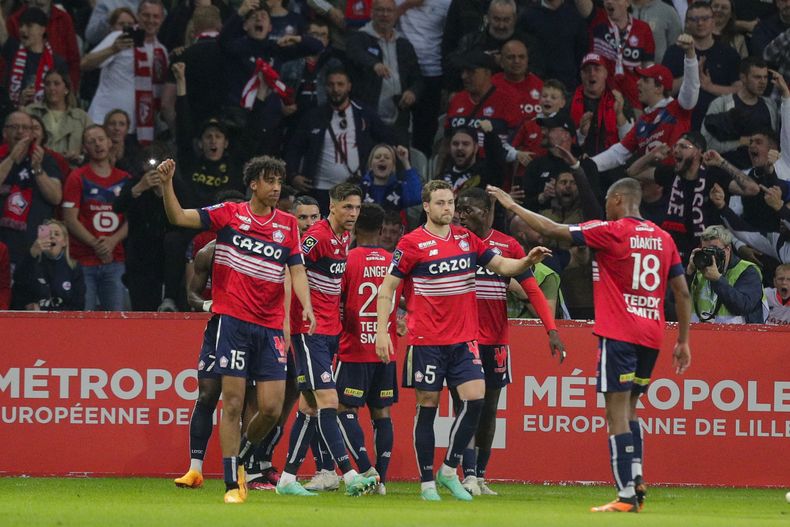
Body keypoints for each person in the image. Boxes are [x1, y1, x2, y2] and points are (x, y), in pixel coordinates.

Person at [487, 178, 691, 512]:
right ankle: (636, 480)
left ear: (619, 199)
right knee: (631, 409)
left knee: (615, 415)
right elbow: (682, 292)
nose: (607, 207)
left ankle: (625, 495)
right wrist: (683, 340)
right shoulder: (663, 238)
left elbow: (552, 229)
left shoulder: (610, 230)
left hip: (620, 334)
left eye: (609, 201)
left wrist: (511, 206)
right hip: (652, 336)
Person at [374, 179, 552, 501]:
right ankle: (427, 483)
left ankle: (448, 469)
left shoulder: (467, 239)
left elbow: (502, 265)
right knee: (427, 407)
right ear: (426, 206)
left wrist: (528, 261)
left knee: (476, 400)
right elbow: (387, 289)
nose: (448, 209)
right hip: (427, 340)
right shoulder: (412, 243)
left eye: (450, 203)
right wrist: (382, 331)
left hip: (463, 340)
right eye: (440, 203)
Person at [157, 155, 316, 503]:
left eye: (279, 181)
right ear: (254, 184)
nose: (276, 188)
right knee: (231, 403)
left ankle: (242, 456)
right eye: (269, 181)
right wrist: (167, 184)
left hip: (271, 327)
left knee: (272, 410)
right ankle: (232, 484)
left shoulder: (288, 225)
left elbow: (297, 270)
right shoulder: (230, 213)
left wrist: (304, 304)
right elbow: (178, 217)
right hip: (233, 323)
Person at [455, 187, 565, 496]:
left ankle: (480, 476)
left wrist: (551, 329)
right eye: (459, 209)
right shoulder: (452, 242)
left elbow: (532, 289)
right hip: (462, 340)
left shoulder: (507, 244)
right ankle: (467, 474)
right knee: (465, 407)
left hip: (496, 340)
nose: (462, 215)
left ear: (487, 212)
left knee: (489, 410)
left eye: (469, 209)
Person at [276, 182, 380, 497]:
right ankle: (349, 476)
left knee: (309, 408)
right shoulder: (316, 237)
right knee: (328, 402)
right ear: (332, 206)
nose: (353, 213)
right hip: (309, 331)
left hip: (330, 331)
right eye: (347, 207)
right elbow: (288, 271)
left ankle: (287, 479)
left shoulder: (343, 238)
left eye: (357, 208)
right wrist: (285, 321)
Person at [335, 202, 401, 495]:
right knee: (381, 413)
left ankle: (365, 469)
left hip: (355, 347)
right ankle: (382, 480)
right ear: (380, 228)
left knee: (342, 408)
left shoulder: (347, 260)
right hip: (385, 349)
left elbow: (337, 305)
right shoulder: (395, 261)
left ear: (356, 225)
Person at [285, 67, 396, 213]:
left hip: (355, 189)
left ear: (349, 86)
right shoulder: (313, 117)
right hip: (319, 190)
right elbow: (294, 148)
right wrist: (293, 175)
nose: (335, 89)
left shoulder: (364, 113)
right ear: (325, 87)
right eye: (331, 85)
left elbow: (387, 138)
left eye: (340, 84)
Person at [591, 34, 700, 173]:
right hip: (648, 188)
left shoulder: (678, 109)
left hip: (674, 186)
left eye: (645, 80)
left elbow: (691, 87)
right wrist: (589, 164)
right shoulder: (642, 121)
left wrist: (690, 55)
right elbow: (618, 153)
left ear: (659, 88)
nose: (638, 83)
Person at [62, 125, 130, 311]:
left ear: (109, 142)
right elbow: (70, 219)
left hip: (115, 261)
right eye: (91, 141)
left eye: (101, 139)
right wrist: (97, 244)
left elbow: (133, 219)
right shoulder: (76, 177)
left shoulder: (125, 179)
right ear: (84, 147)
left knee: (117, 321)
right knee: (83, 321)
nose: (97, 144)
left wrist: (112, 242)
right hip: (83, 260)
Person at [83, 0, 168, 143]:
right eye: (146, 15)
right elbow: (84, 64)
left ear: (162, 19)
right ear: (138, 16)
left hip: (137, 128)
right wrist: (112, 50)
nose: (151, 20)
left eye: (155, 16)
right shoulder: (120, 38)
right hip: (104, 121)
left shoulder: (161, 52)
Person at [345, 0, 422, 142]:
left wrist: (413, 92)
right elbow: (355, 53)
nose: (384, 14)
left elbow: (417, 77)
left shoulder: (404, 44)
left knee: (400, 163)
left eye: (389, 11)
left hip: (399, 121)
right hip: (366, 119)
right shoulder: (359, 38)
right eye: (380, 10)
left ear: (395, 14)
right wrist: (374, 64)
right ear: (371, 13)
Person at [662, 2, 741, 130]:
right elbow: (663, 91)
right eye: (694, 19)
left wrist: (710, 87)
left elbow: (739, 90)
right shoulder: (674, 52)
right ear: (686, 23)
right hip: (680, 123)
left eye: (705, 19)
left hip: (719, 125)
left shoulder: (729, 53)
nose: (700, 23)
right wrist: (691, 75)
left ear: (713, 21)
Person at [0, 111, 63, 266]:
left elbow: (56, 197)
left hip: (35, 247)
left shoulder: (46, 160)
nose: (20, 131)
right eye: (14, 127)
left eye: (25, 127)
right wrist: (12, 158)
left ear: (32, 133)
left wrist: (37, 169)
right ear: (5, 132)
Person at [575, 0, 656, 109]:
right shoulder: (597, 19)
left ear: (628, 3)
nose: (609, 1)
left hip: (633, 98)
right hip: (600, 97)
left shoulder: (643, 29)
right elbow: (582, 4)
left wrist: (651, 99)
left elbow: (649, 68)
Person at [701, 58, 778, 169]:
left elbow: (774, 143)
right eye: (757, 77)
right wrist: (739, 142)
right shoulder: (721, 104)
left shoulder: (770, 106)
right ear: (743, 77)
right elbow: (706, 144)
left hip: (763, 174)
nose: (763, 82)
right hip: (729, 173)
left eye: (765, 77)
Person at [686, 225, 766, 323]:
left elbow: (742, 306)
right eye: (706, 250)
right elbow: (675, 300)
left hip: (738, 336)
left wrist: (717, 280)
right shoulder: (698, 270)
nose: (710, 256)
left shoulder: (748, 271)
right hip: (701, 335)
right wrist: (689, 272)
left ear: (727, 250)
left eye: (714, 250)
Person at [5, 0, 81, 92]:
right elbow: (6, 59)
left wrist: (70, 92)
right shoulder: (14, 20)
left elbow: (73, 60)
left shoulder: (63, 19)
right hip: (20, 87)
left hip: (57, 89)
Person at [11, 219, 84, 310]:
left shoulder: (74, 267)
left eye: (56, 234)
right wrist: (32, 254)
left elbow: (78, 305)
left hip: (62, 320)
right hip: (32, 319)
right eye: (48, 234)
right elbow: (18, 282)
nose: (52, 236)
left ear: (64, 242)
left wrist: (48, 312)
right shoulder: (30, 260)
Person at [2, 8, 68, 109]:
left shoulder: (57, 62)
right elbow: (1, 33)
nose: (22, 29)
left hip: (45, 118)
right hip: (13, 115)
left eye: (29, 25)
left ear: (42, 30)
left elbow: (64, 97)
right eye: (21, 25)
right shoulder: (13, 50)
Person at [25, 69, 92, 165]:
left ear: (66, 89)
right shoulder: (30, 111)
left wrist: (79, 157)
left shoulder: (81, 117)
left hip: (70, 171)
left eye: (56, 84)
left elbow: (93, 146)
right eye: (47, 84)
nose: (52, 88)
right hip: (36, 167)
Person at [360, 144, 421, 212]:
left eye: (387, 157)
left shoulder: (399, 188)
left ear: (393, 167)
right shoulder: (360, 189)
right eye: (377, 157)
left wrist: (405, 162)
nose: (382, 159)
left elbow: (416, 198)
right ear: (370, 165)